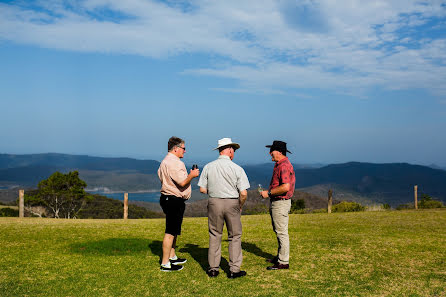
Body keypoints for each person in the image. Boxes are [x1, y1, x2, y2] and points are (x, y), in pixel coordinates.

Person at [198, 138, 250, 278]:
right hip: (232, 202)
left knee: (215, 234)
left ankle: (213, 269)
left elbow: (202, 189)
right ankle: (234, 270)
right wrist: (240, 205)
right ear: (230, 150)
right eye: (234, 150)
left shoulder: (209, 166)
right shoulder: (237, 168)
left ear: (220, 150)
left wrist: (215, 192)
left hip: (214, 202)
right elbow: (243, 193)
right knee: (234, 236)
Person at [158, 136, 200, 271]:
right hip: (173, 199)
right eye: (183, 148)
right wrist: (192, 175)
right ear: (176, 149)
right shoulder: (174, 163)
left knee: (174, 230)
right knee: (170, 231)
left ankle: (172, 256)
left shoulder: (164, 161)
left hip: (169, 198)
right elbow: (182, 182)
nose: (185, 151)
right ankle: (165, 263)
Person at [260, 140, 295, 270]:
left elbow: (285, 187)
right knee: (279, 230)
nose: (270, 153)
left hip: (280, 202)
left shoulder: (283, 166)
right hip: (279, 202)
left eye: (272, 151)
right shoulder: (280, 164)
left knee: (281, 232)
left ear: (279, 152)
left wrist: (268, 193)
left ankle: (283, 262)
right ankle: (280, 256)